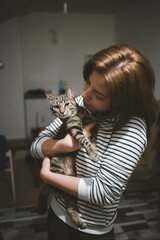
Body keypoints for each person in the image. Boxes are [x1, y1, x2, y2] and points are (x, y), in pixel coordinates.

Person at [30, 44, 157, 240]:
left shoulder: (132, 130)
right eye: (87, 83)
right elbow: (37, 144)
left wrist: (48, 176)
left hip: (91, 230)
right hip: (56, 213)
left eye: (98, 94)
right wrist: (62, 146)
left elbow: (103, 192)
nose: (85, 95)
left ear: (122, 101)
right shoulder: (82, 102)